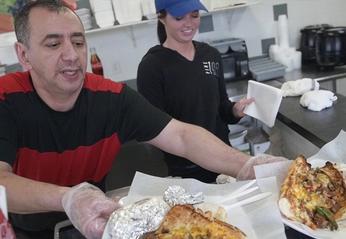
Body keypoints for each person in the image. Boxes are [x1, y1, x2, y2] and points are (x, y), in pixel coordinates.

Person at [0, 1, 285, 238]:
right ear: (24, 55)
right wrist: (67, 198)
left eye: (78, 41)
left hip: (100, 226)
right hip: (30, 231)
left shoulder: (111, 98)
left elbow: (181, 136)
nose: (72, 55)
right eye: (53, 44)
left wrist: (245, 165)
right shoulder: (6, 100)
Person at [137, 0, 254, 183]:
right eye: (178, 17)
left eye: (194, 15)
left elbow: (221, 107)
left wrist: (235, 110)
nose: (189, 23)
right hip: (186, 171)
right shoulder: (152, 66)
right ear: (161, 18)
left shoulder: (211, 55)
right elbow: (154, 129)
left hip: (224, 162)